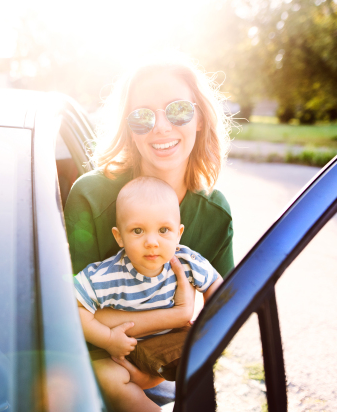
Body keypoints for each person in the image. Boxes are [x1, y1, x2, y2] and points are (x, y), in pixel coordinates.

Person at [64, 52, 233, 411]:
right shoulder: (91, 196)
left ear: (200, 118)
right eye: (142, 116)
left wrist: (154, 376)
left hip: (175, 369)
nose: (161, 127)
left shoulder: (216, 212)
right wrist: (176, 314)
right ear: (129, 126)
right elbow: (80, 312)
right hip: (99, 370)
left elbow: (223, 316)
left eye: (178, 111)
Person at [74, 177, 223, 389]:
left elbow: (219, 289)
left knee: (199, 367)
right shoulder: (106, 276)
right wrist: (107, 339)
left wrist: (202, 326)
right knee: (108, 377)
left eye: (163, 230)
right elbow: (73, 308)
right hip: (124, 353)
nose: (152, 242)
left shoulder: (186, 262)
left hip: (169, 350)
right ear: (119, 237)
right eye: (138, 231)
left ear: (178, 234)